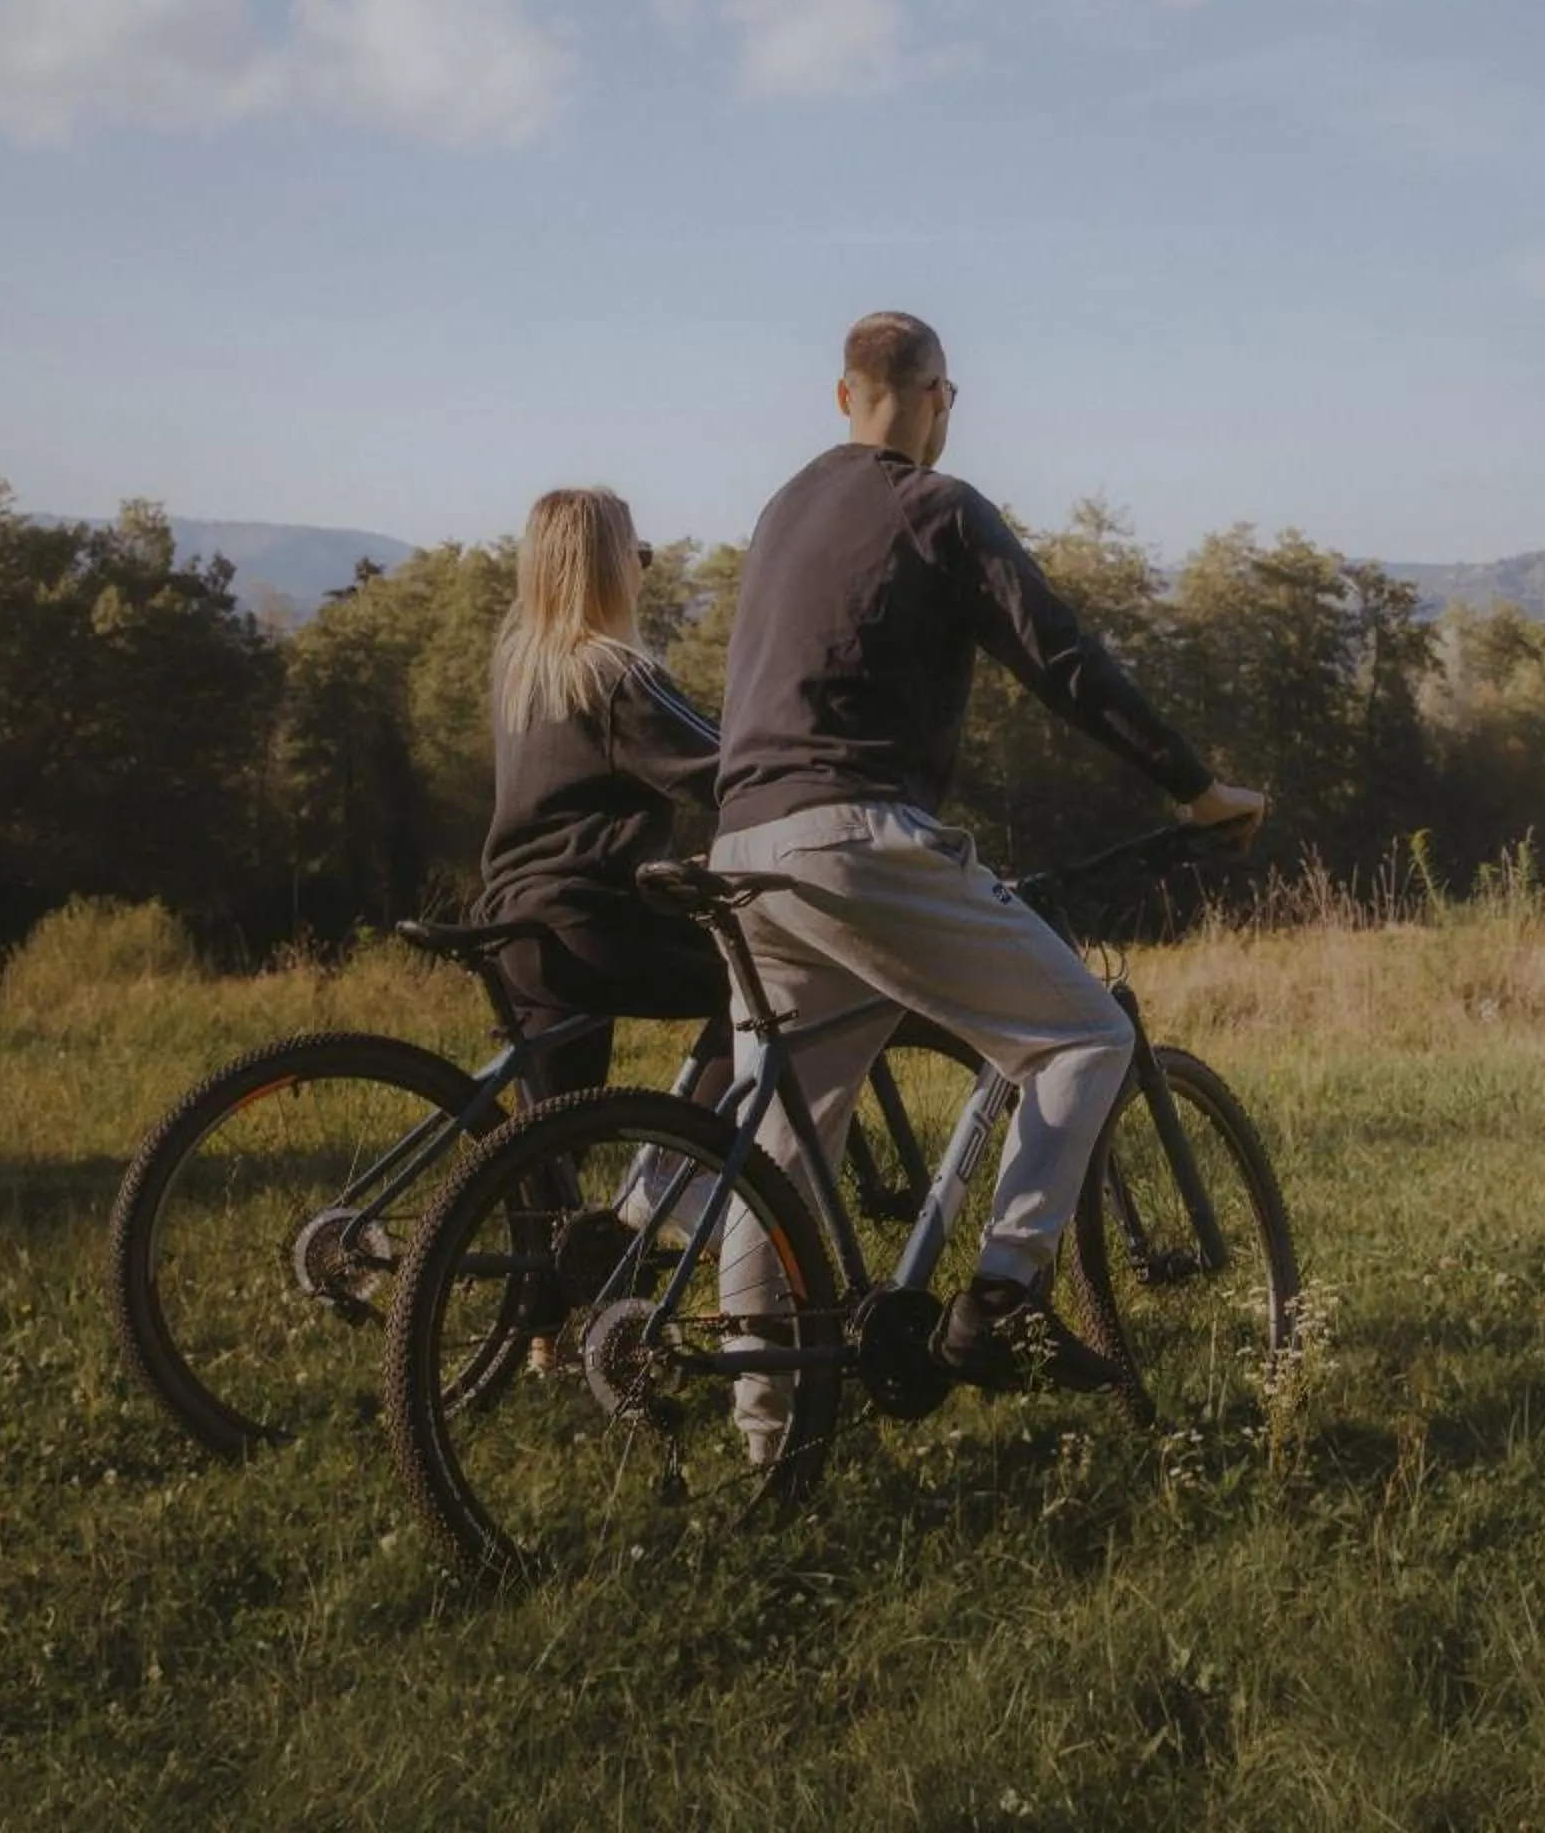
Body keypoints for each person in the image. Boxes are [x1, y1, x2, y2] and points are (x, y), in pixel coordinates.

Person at [713, 310, 1265, 1393]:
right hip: (856, 837)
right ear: (939, 399)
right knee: (1083, 1037)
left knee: (778, 1151)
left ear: (840, 396)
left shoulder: (782, 510)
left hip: (742, 847)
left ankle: (767, 1435)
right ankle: (1004, 1299)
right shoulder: (938, 505)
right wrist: (1194, 786)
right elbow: (1061, 656)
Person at [475, 485, 731, 1104]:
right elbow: (729, 770)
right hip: (591, 925)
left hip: (517, 927)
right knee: (773, 986)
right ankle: (685, 1169)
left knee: (545, 1156)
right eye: (636, 554)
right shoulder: (617, 677)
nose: (642, 571)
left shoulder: (524, 674)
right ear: (610, 566)